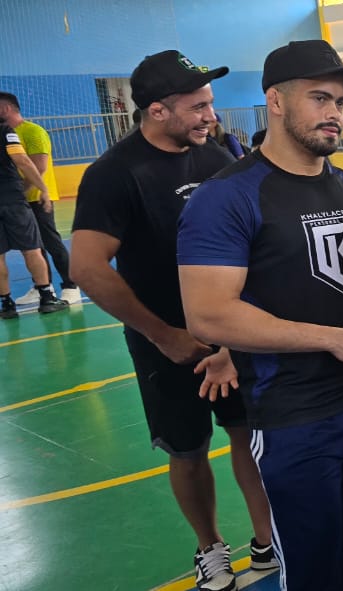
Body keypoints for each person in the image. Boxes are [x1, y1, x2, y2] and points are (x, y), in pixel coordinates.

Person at [175, 40, 343, 591]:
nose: (335, 113)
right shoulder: (226, 197)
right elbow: (208, 316)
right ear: (275, 101)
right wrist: (332, 339)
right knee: (313, 568)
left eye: (342, 102)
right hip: (292, 417)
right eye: (320, 97)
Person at [68, 50, 276, 591]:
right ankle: (210, 548)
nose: (212, 115)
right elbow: (88, 268)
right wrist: (165, 337)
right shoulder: (114, 174)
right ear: (157, 111)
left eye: (210, 103)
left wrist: (236, 328)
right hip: (167, 345)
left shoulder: (220, 159)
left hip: (232, 335)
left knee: (247, 435)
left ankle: (265, 538)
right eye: (199, 106)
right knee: (187, 450)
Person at [0, 92, 80, 305]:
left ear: (5, 108)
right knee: (33, 247)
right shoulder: (6, 133)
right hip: (17, 200)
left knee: (51, 242)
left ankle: (71, 285)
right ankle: (42, 286)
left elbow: (39, 167)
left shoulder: (33, 131)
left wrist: (23, 193)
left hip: (35, 197)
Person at [0, 120, 63, 318]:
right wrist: (43, 188)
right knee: (31, 250)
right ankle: (46, 296)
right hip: (12, 199)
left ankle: (6, 304)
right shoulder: (4, 130)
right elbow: (22, 160)